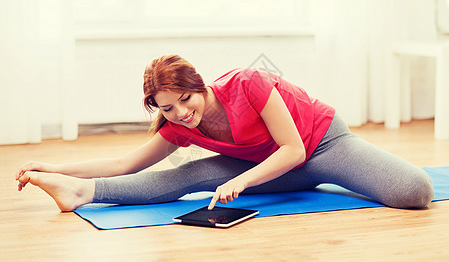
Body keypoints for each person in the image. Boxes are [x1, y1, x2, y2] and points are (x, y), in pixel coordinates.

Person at [15, 55, 434, 212]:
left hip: (322, 145)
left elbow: (293, 148)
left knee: (415, 191)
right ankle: (81, 194)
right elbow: (126, 162)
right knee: (185, 176)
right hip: (266, 167)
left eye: (185, 99)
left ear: (200, 85)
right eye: (167, 108)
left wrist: (241, 180)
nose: (181, 113)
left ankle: (349, 172)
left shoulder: (248, 82)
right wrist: (53, 166)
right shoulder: (177, 125)